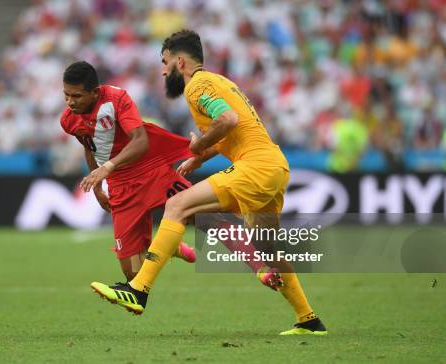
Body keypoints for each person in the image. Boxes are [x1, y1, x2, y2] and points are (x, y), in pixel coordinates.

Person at [90, 30, 328, 336]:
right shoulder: (222, 81)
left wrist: (197, 147)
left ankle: (139, 289)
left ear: (180, 61)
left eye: (165, 63)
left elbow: (227, 120)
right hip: (274, 166)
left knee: (177, 204)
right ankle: (308, 319)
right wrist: (201, 158)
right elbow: (236, 128)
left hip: (254, 167)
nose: (163, 71)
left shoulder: (197, 85)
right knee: (267, 249)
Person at [59, 61, 196, 281]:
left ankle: (263, 267)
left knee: (202, 216)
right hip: (121, 186)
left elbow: (140, 141)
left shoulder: (117, 98)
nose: (70, 102)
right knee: (133, 273)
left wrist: (107, 168)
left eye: (76, 96)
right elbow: (89, 146)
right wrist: (97, 188)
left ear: (94, 93)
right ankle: (171, 246)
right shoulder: (68, 120)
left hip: (151, 171)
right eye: (66, 95)